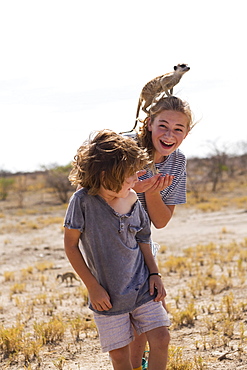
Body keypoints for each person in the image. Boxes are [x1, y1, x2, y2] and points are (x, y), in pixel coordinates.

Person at [63, 129, 171, 370]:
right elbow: (71, 245)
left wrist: (155, 274)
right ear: (105, 175)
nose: (135, 181)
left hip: (143, 286)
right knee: (120, 356)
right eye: (129, 176)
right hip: (108, 297)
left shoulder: (131, 198)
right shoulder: (82, 202)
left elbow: (144, 238)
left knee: (162, 338)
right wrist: (93, 287)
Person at [128, 96, 195, 370]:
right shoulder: (126, 151)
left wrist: (153, 191)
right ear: (148, 124)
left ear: (186, 133)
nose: (170, 135)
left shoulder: (177, 162)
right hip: (112, 240)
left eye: (178, 129)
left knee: (151, 316)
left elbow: (161, 221)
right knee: (145, 316)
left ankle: (140, 364)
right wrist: (138, 185)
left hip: (144, 241)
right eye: (163, 125)